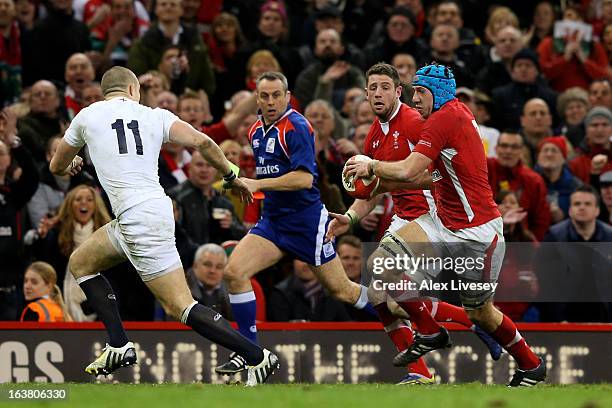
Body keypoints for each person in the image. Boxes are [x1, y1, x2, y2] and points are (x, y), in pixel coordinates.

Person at [49, 66, 278, 385]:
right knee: (82, 262)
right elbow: (203, 142)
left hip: (136, 217)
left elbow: (56, 165)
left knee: (181, 306)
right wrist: (229, 175)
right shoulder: (155, 115)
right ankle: (118, 344)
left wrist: (71, 162)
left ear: (107, 92)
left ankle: (257, 357)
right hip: (152, 209)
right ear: (133, 90)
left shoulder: (87, 116)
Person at [345, 63, 546, 387]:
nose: (415, 99)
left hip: (478, 233)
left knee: (482, 313)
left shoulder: (442, 119)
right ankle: (428, 332)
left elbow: (411, 171)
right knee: (381, 268)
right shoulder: (443, 115)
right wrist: (355, 212)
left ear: (436, 94)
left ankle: (531, 365)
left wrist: (372, 166)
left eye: (421, 92)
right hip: (442, 223)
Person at [215, 71, 374, 376]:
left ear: (287, 97)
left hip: (306, 224)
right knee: (234, 272)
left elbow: (303, 180)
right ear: (257, 99)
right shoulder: (255, 132)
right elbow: (269, 180)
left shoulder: (298, 126)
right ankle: (250, 353)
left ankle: (404, 314)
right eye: (265, 96)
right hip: (273, 222)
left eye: (277, 95)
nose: (271, 101)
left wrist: (257, 183)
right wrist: (248, 186)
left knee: (344, 291)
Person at [0, 107, 39, 320]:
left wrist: (12, 140)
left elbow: (33, 176)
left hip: (9, 285)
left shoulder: (13, 193)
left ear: (8, 160)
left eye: (1, 153)